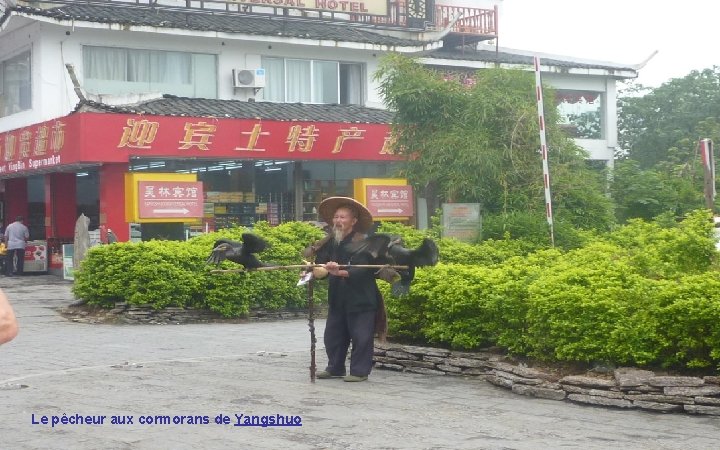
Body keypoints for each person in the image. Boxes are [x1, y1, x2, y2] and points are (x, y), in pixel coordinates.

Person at [311, 197, 382, 382]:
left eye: (343, 217)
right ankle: (335, 368)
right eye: (336, 217)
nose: (338, 221)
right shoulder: (330, 242)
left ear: (354, 221)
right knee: (333, 335)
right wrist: (317, 270)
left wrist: (339, 271)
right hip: (337, 298)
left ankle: (359, 372)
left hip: (361, 298)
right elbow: (321, 265)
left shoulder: (364, 242)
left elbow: (362, 270)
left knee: (361, 336)